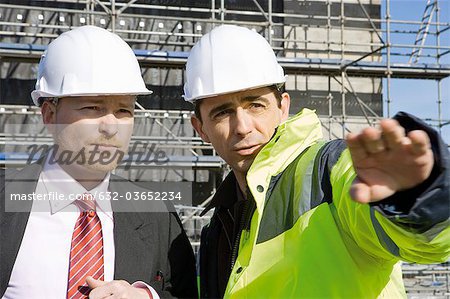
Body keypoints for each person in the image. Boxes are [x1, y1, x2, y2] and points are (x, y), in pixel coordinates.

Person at [184, 25, 450, 298]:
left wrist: (419, 197)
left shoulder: (331, 170)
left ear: (283, 107)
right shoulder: (217, 229)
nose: (242, 127)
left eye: (256, 105)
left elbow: (427, 245)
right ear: (201, 128)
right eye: (222, 112)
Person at [0, 26, 197, 299]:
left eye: (124, 110)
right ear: (49, 114)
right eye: (93, 107)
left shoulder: (158, 216)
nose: (110, 126)